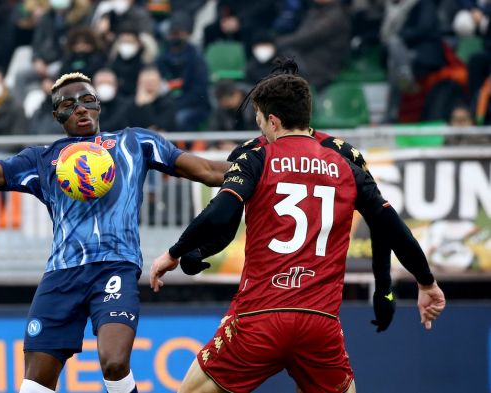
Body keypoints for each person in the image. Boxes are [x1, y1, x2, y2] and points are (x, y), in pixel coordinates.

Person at [0, 71, 228, 393]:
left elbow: (208, 171)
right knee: (34, 384)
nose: (80, 109)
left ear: (99, 105)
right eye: (69, 105)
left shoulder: (135, 142)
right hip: (62, 274)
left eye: (88, 100)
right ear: (57, 115)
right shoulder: (41, 158)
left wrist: (263, 160)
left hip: (115, 266)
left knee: (114, 363)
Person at [150, 60, 446, 393]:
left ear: (272, 119)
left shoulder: (256, 155)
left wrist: (180, 251)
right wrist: (418, 282)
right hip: (319, 321)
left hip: (259, 316)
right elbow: (390, 227)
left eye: (260, 119)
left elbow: (223, 214)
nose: (259, 126)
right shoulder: (347, 161)